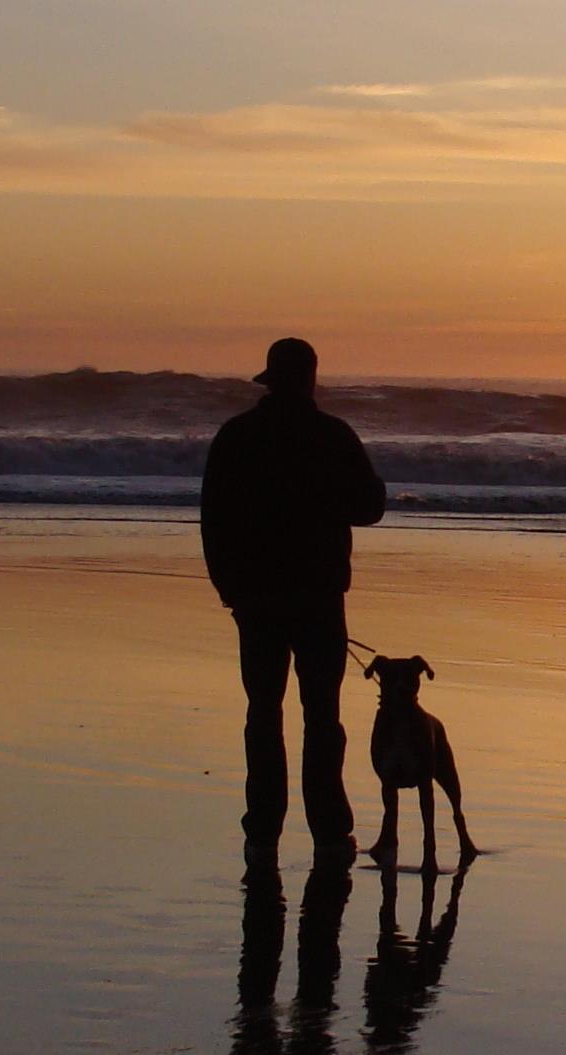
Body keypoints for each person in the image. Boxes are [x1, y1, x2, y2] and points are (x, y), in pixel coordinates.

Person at [203, 337, 387, 855]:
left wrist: (227, 586)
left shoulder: (237, 436)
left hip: (257, 597)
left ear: (270, 380)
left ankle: (263, 825)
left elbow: (213, 518)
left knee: (263, 711)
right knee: (321, 714)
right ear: (310, 379)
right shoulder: (332, 436)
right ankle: (330, 828)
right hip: (318, 597)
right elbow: (368, 507)